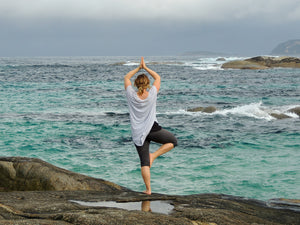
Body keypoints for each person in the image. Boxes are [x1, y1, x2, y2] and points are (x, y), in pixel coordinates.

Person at [124, 57, 177, 195]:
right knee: (173, 141)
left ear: (135, 84)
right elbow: (158, 77)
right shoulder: (152, 93)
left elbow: (126, 77)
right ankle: (154, 155)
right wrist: (145, 67)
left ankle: (148, 190)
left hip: (137, 133)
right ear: (148, 84)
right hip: (153, 129)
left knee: (144, 163)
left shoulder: (130, 94)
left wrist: (138, 68)